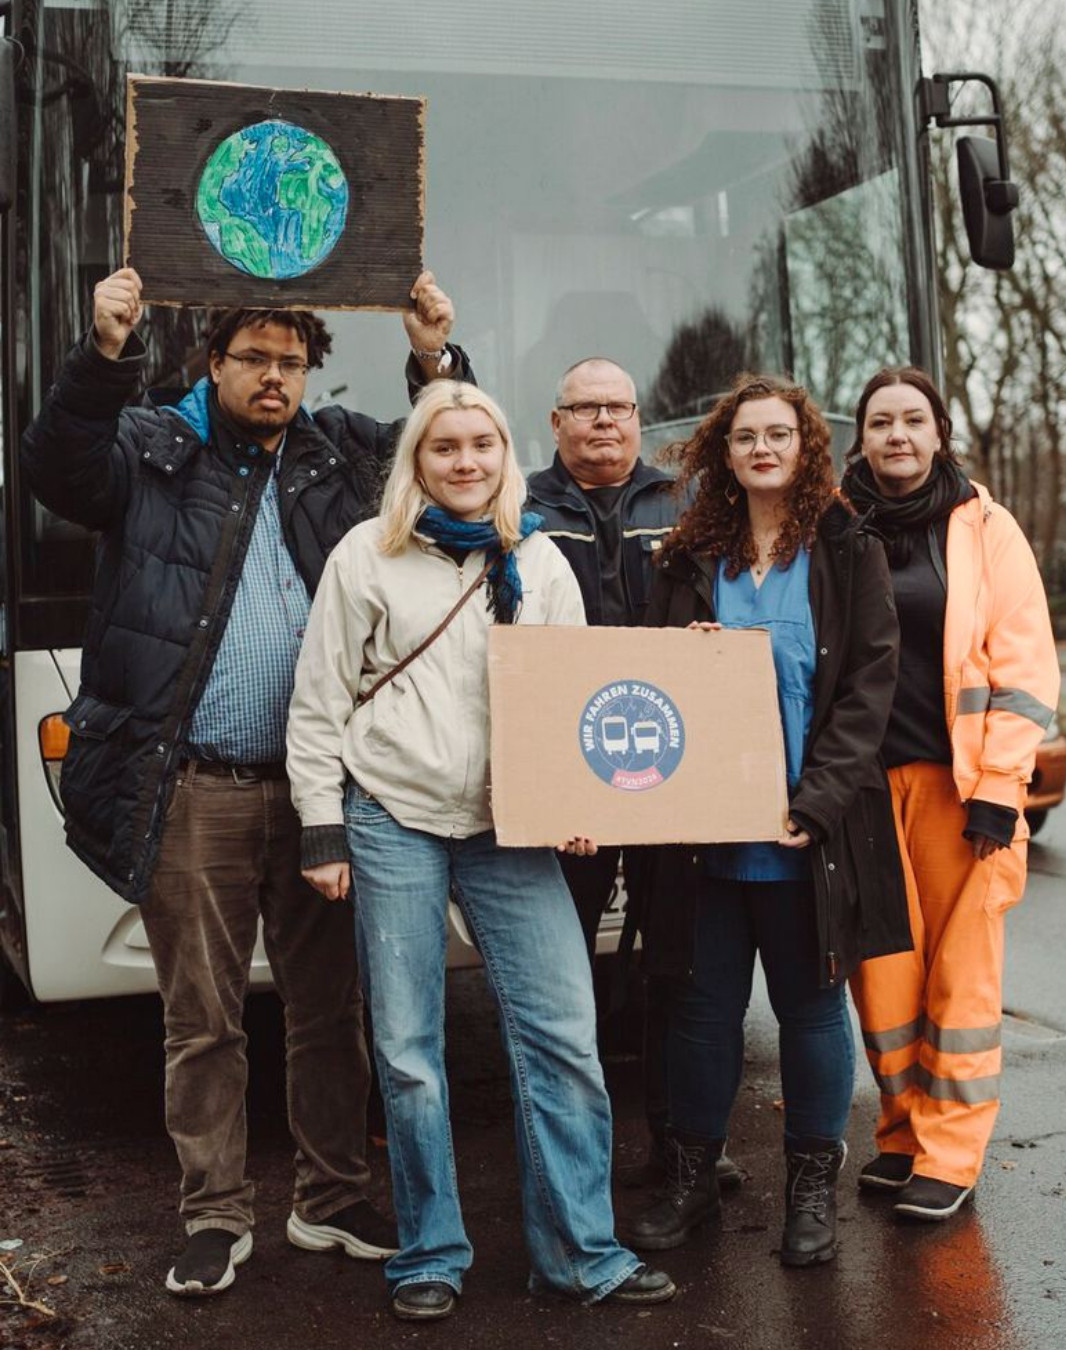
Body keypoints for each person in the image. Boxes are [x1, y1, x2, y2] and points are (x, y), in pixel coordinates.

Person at [20, 265, 471, 1296]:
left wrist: (433, 354)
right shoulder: (148, 448)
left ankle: (331, 1197)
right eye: (254, 358)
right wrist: (104, 352)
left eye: (292, 361)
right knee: (205, 1020)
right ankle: (214, 1216)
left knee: (330, 1009)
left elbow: (450, 451)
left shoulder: (340, 456)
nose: (275, 377)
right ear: (212, 363)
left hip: (319, 792)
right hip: (196, 791)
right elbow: (56, 467)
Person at [286, 381, 676, 1321]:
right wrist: (322, 825)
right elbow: (318, 702)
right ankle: (429, 1252)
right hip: (394, 815)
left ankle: (579, 1253)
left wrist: (577, 802)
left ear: (506, 455)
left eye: (482, 445)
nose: (465, 462)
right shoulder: (365, 557)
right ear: (416, 461)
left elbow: (567, 697)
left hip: (512, 826)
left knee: (562, 1036)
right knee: (410, 1048)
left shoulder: (537, 560)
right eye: (444, 447)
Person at [626, 373, 910, 1266]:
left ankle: (811, 1192)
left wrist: (817, 804)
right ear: (723, 451)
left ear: (805, 446)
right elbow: (650, 684)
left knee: (811, 1011)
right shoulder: (685, 558)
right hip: (707, 836)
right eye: (745, 436)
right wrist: (686, 657)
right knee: (702, 1013)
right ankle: (693, 1181)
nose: (762, 448)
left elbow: (868, 692)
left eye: (779, 434)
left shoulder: (849, 551)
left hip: (808, 835)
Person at [842, 367, 1060, 1221]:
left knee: (961, 975)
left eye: (912, 421)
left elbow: (1026, 667)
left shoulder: (985, 528)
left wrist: (1001, 789)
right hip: (861, 790)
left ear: (938, 433)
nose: (897, 435)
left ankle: (952, 1149)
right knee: (884, 976)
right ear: (859, 436)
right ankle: (901, 1136)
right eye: (880, 422)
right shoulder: (833, 524)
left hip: (959, 789)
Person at [526, 357, 743, 1192]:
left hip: (666, 770)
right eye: (585, 409)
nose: (604, 422)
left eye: (618, 408)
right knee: (562, 970)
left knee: (673, 967)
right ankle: (565, 1153)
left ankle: (685, 1141)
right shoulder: (522, 508)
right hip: (565, 775)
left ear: (638, 417)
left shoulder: (685, 503)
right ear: (557, 422)